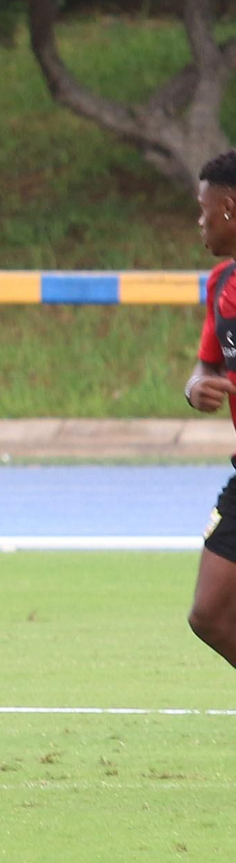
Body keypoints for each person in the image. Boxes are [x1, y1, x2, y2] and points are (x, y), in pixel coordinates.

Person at [183, 150, 236, 669]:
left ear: (230, 210)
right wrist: (195, 389)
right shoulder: (221, 285)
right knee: (210, 614)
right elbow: (204, 368)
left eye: (203, 211)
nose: (199, 223)